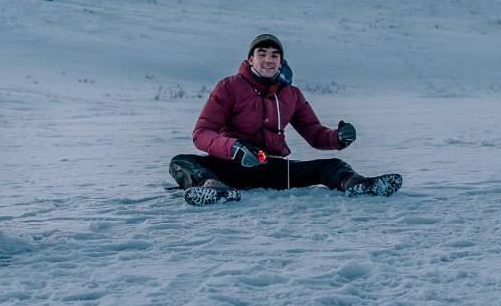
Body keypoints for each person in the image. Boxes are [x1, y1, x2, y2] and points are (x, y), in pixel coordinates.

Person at [169, 33, 402, 206]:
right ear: (250, 59)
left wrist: (338, 137)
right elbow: (202, 133)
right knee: (181, 161)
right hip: (229, 165)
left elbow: (314, 133)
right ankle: (214, 189)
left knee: (331, 166)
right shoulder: (229, 87)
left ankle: (359, 185)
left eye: (274, 55)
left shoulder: (291, 95)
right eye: (262, 54)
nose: (268, 60)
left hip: (270, 166)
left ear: (281, 62)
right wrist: (234, 149)